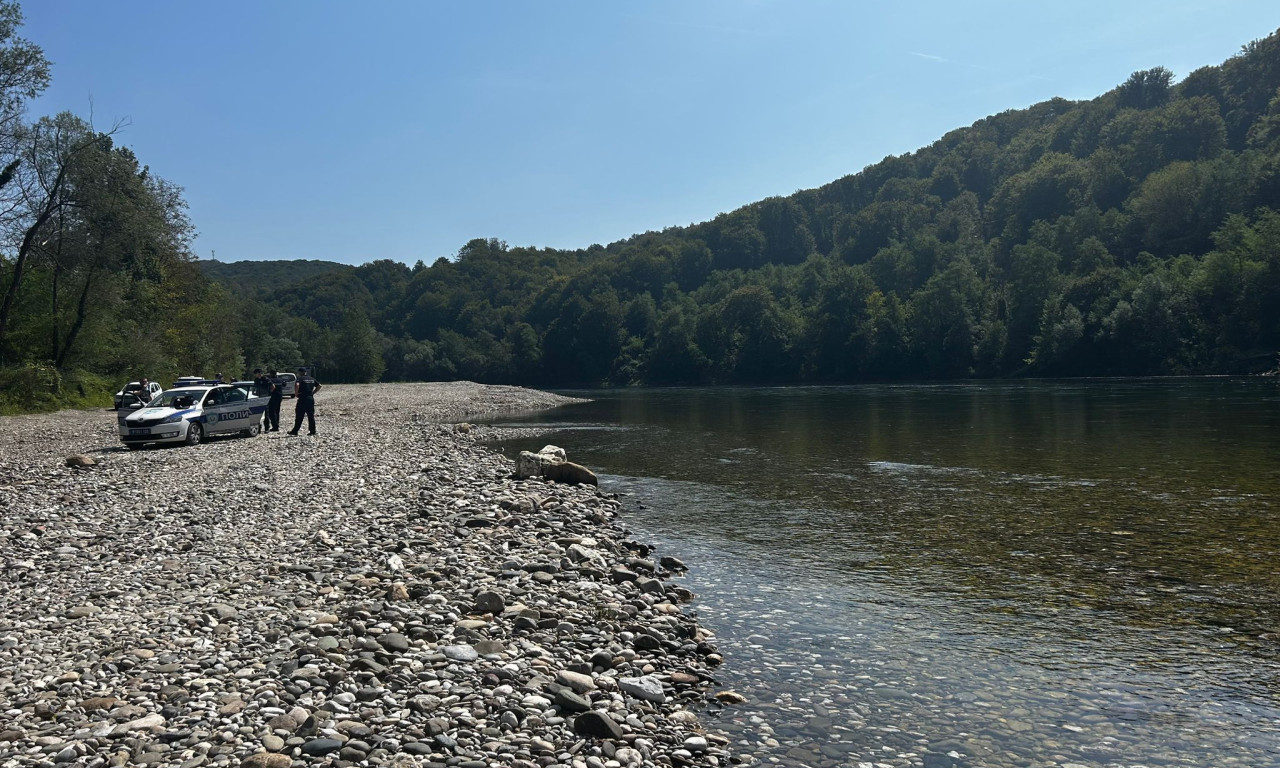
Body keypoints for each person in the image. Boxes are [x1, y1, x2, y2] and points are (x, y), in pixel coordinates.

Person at [288, 367, 321, 436]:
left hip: (302, 398)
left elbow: (297, 385)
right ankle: (312, 431)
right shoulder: (312, 379)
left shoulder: (300, 378)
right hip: (310, 398)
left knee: (299, 415)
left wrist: (296, 393)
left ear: (300, 372)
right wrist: (313, 392)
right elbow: (319, 386)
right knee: (311, 415)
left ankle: (295, 431)